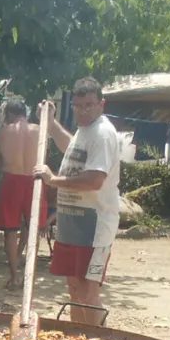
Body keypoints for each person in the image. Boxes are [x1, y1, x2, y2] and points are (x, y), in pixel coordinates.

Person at [34, 77, 121, 326]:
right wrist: (51, 125)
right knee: (74, 288)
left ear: (101, 104)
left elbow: (95, 180)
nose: (83, 111)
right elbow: (70, 147)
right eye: (78, 106)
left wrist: (53, 180)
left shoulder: (103, 134)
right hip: (73, 226)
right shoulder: (86, 131)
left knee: (88, 291)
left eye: (89, 105)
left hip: (95, 229)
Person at [0, 99, 45, 289]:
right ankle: (28, 277)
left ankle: (14, 277)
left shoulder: (4, 131)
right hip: (34, 179)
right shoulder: (39, 130)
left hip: (11, 180)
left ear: (9, 113)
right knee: (33, 229)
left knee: (10, 231)